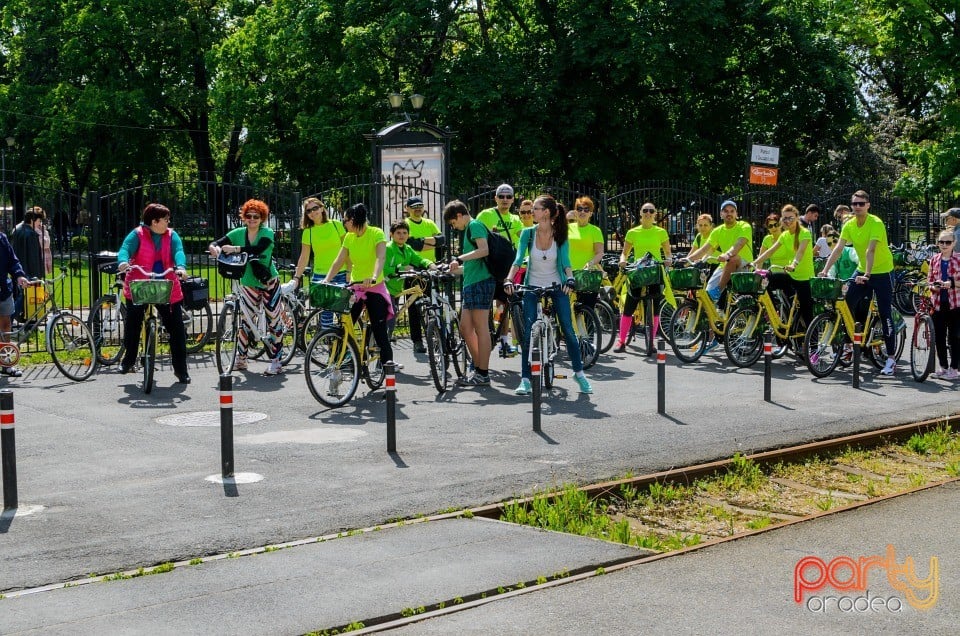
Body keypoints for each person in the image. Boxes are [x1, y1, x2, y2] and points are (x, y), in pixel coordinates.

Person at [504, 194, 592, 395]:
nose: (531, 212)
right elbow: (518, 260)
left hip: (556, 285)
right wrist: (509, 279)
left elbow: (565, 262)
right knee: (528, 332)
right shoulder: (527, 233)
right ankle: (525, 379)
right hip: (532, 286)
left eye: (535, 208)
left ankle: (579, 374)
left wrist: (570, 279)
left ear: (546, 212)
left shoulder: (560, 234)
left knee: (568, 330)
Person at [819, 190, 898, 375]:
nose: (857, 207)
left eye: (861, 204)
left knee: (885, 313)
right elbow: (838, 249)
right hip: (862, 270)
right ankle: (849, 345)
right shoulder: (849, 224)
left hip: (881, 272)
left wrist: (868, 274)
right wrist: (824, 269)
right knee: (847, 305)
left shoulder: (875, 223)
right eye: (854, 204)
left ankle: (891, 358)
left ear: (868, 205)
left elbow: (871, 250)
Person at [208, 199, 285, 376]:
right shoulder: (238, 232)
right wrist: (214, 248)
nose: (252, 219)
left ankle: (276, 360)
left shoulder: (267, 232)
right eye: (249, 216)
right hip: (248, 282)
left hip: (268, 281)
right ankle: (241, 360)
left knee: (274, 321)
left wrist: (235, 249)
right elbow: (216, 242)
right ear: (244, 217)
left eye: (256, 216)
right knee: (246, 321)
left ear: (262, 217)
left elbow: (258, 248)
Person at [117, 203, 191, 384]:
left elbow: (179, 252)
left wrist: (180, 267)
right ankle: (129, 359)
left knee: (176, 328)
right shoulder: (137, 234)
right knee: (133, 322)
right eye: (165, 219)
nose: (168, 222)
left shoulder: (172, 236)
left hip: (166, 284)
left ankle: (181, 370)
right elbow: (125, 249)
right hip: (141, 283)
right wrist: (123, 262)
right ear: (154, 221)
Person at [321, 203, 394, 370]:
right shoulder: (349, 237)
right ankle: (340, 363)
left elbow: (380, 257)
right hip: (356, 287)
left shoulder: (376, 233)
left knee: (379, 330)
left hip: (374, 287)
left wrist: (374, 276)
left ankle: (388, 374)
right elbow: (338, 261)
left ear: (353, 220)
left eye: (345, 220)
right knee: (345, 325)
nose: (343, 224)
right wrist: (326, 280)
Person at [444, 199, 493, 386]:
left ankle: (483, 372)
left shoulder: (474, 225)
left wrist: (459, 257)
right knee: (465, 328)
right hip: (470, 282)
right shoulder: (468, 230)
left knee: (481, 328)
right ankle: (478, 364)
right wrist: (452, 269)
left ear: (458, 215)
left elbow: (484, 250)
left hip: (481, 282)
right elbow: (471, 264)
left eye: (453, 223)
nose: (455, 227)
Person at [615, 202, 671, 353]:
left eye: (651, 211)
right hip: (638, 272)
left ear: (655, 214)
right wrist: (622, 260)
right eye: (645, 210)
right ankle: (621, 341)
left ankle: (651, 342)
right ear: (640, 213)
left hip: (655, 271)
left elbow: (668, 253)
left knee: (655, 308)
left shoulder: (661, 232)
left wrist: (668, 260)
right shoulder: (632, 232)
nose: (648, 213)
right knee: (629, 306)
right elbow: (625, 253)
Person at [751, 204, 814, 329]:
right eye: (784, 218)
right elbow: (770, 251)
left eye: (790, 218)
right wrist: (754, 263)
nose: (787, 221)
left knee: (807, 313)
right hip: (790, 276)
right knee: (765, 280)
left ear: (796, 217)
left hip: (804, 278)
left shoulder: (805, 233)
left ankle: (813, 344)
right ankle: (774, 314)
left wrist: (793, 264)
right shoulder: (784, 235)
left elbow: (800, 252)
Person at [478, 183, 524, 356]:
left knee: (504, 303)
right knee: (485, 305)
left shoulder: (515, 219)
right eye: (501, 196)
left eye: (508, 196)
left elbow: (522, 239)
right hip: (488, 267)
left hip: (505, 268)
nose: (505, 199)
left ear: (512, 200)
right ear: (495, 198)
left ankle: (504, 341)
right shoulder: (485, 215)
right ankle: (485, 336)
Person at [292, 197, 347, 329]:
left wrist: (350, 272)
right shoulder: (308, 231)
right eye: (308, 210)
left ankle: (345, 348)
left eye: (315, 208)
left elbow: (347, 250)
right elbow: (304, 256)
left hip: (341, 273)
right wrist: (296, 277)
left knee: (344, 316)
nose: (312, 212)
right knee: (325, 315)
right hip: (321, 275)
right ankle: (329, 344)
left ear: (322, 208)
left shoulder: (336, 225)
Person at [686, 199, 753, 304]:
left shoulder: (744, 226)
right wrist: (687, 259)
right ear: (721, 214)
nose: (729, 213)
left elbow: (739, 244)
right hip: (725, 266)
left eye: (732, 211)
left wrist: (727, 254)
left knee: (733, 258)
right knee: (706, 297)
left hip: (743, 264)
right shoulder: (717, 231)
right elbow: (704, 249)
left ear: (736, 214)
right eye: (726, 211)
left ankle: (718, 291)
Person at [384, 220, 435, 351]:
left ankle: (383, 353)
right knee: (389, 321)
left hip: (396, 289)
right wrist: (400, 268)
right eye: (398, 233)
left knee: (390, 320)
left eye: (404, 233)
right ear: (391, 234)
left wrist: (430, 264)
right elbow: (384, 268)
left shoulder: (407, 249)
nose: (401, 235)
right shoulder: (388, 248)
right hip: (386, 288)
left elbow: (418, 259)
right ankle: (383, 355)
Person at [927, 230, 960, 380]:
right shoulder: (934, 259)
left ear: (954, 243)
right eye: (942, 242)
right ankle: (943, 367)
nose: (944, 245)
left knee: (955, 337)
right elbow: (929, 280)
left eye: (948, 242)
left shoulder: (959, 259)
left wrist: (950, 283)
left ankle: (954, 368)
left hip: (956, 304)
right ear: (937, 243)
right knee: (939, 337)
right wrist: (934, 286)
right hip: (938, 304)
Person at [567, 196, 604, 310]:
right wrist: (566, 217)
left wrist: (591, 263)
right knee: (568, 310)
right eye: (579, 209)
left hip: (587, 275)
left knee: (587, 308)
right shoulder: (566, 227)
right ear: (575, 211)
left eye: (586, 209)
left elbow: (599, 253)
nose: (582, 212)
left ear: (591, 213)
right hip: (568, 274)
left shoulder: (595, 230)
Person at [0, 232, 29, 377]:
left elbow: (12, 261)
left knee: (6, 327)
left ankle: (6, 364)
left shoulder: (2, 238)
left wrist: (19, 275)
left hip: (3, 290)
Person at [403, 196, 443, 263]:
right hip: (413, 265)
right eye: (414, 206)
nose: (418, 208)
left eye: (420, 206)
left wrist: (421, 241)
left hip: (431, 264)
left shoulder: (429, 222)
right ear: (407, 208)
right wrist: (434, 244)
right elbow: (412, 245)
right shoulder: (404, 224)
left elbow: (441, 240)